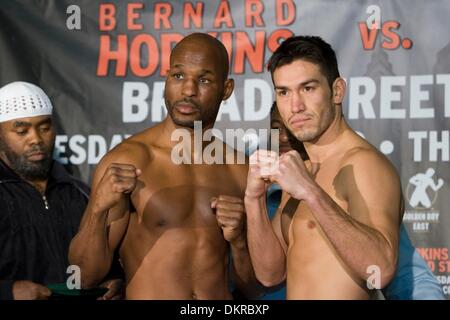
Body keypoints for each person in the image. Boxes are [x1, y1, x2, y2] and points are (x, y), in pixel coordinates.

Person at [68, 33, 256, 299]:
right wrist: (97, 210)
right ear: (166, 78)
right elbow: (84, 278)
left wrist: (239, 243)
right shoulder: (128, 161)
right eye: (178, 76)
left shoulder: (240, 169)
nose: (188, 90)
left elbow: (253, 288)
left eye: (203, 80)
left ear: (226, 89)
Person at [245, 35, 404, 299]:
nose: (295, 106)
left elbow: (381, 270)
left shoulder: (363, 164)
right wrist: (253, 199)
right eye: (284, 92)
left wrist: (311, 192)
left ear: (337, 91)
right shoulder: (300, 169)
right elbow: (270, 274)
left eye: (308, 88)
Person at [259, 103, 445, 300]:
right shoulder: (260, 184)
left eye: (292, 128)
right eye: (277, 127)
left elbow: (410, 277)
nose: (284, 137)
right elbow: (260, 280)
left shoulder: (357, 183)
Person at [0, 81, 122, 300]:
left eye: (44, 128)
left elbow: (104, 258)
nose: (36, 139)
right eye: (21, 131)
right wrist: (7, 291)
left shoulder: (80, 192)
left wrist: (115, 280)